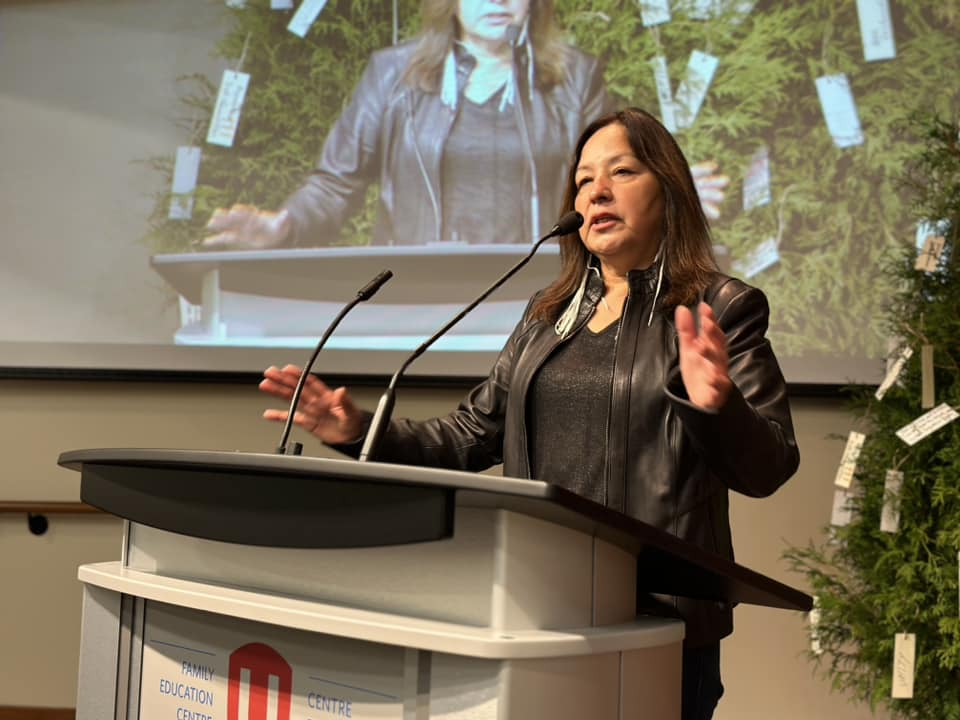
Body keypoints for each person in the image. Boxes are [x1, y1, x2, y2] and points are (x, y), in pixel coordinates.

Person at [258, 107, 799, 720]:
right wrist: (357, 431)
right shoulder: (547, 316)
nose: (596, 190)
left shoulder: (721, 308)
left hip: (658, 623)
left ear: (668, 190)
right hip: (541, 614)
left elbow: (770, 465)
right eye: (583, 178)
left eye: (621, 171)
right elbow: (467, 437)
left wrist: (716, 406)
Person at [202, 0, 728, 250]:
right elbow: (336, 182)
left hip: (538, 295)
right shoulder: (393, 74)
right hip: (414, 290)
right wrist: (283, 225)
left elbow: (604, 178)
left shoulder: (575, 78)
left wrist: (665, 189)